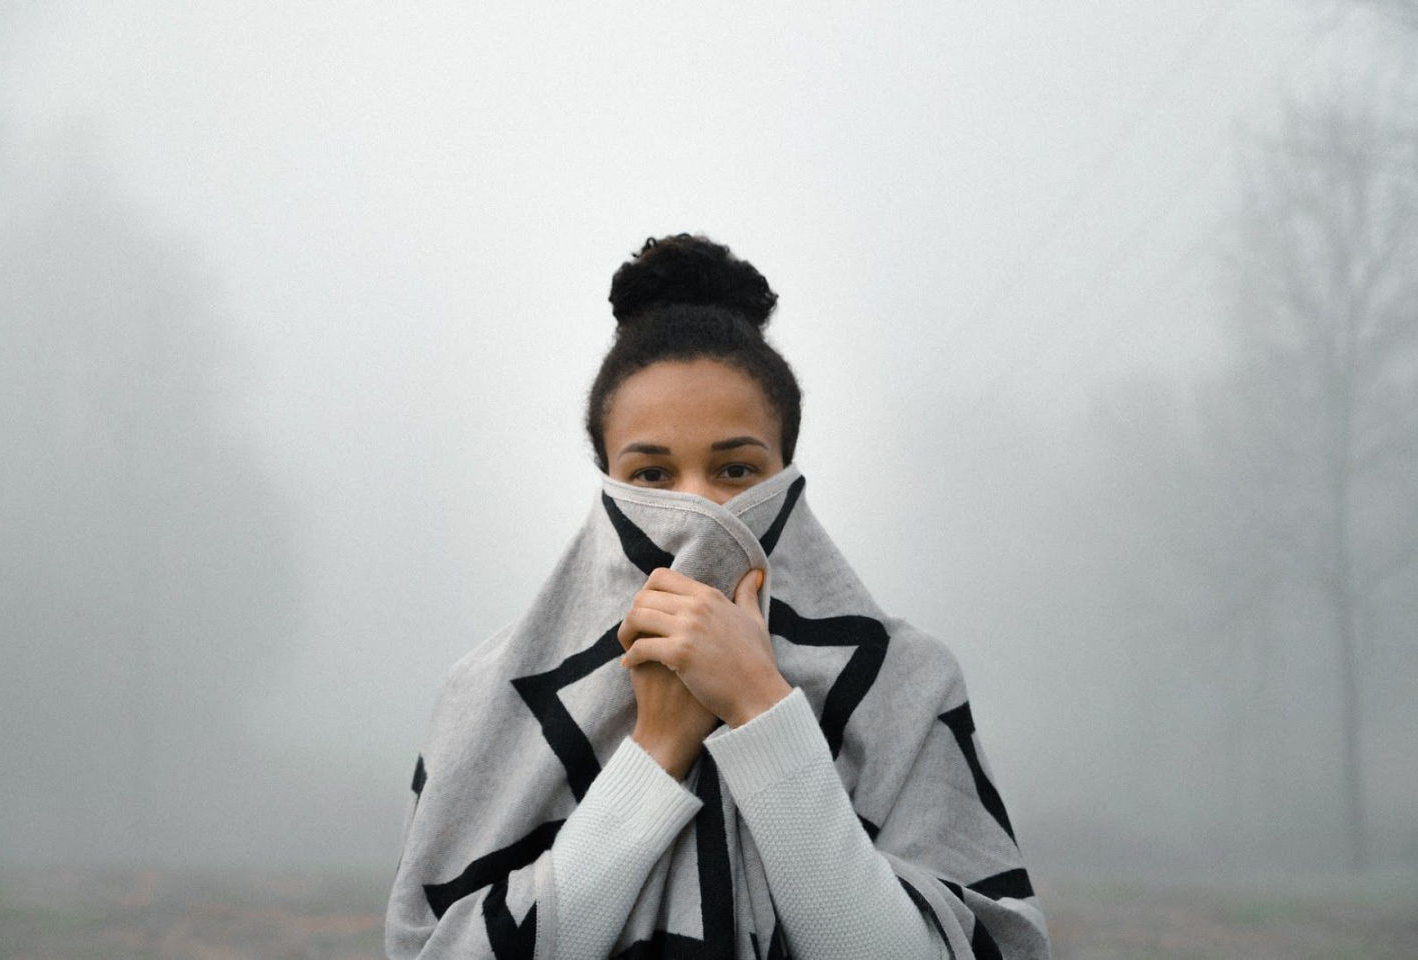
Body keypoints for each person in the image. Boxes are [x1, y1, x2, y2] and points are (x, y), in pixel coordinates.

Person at [384, 233, 1052, 960]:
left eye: (735, 470)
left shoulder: (904, 681)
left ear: (786, 474)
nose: (698, 508)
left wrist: (761, 709)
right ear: (606, 481)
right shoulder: (492, 696)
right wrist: (656, 750)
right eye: (651, 476)